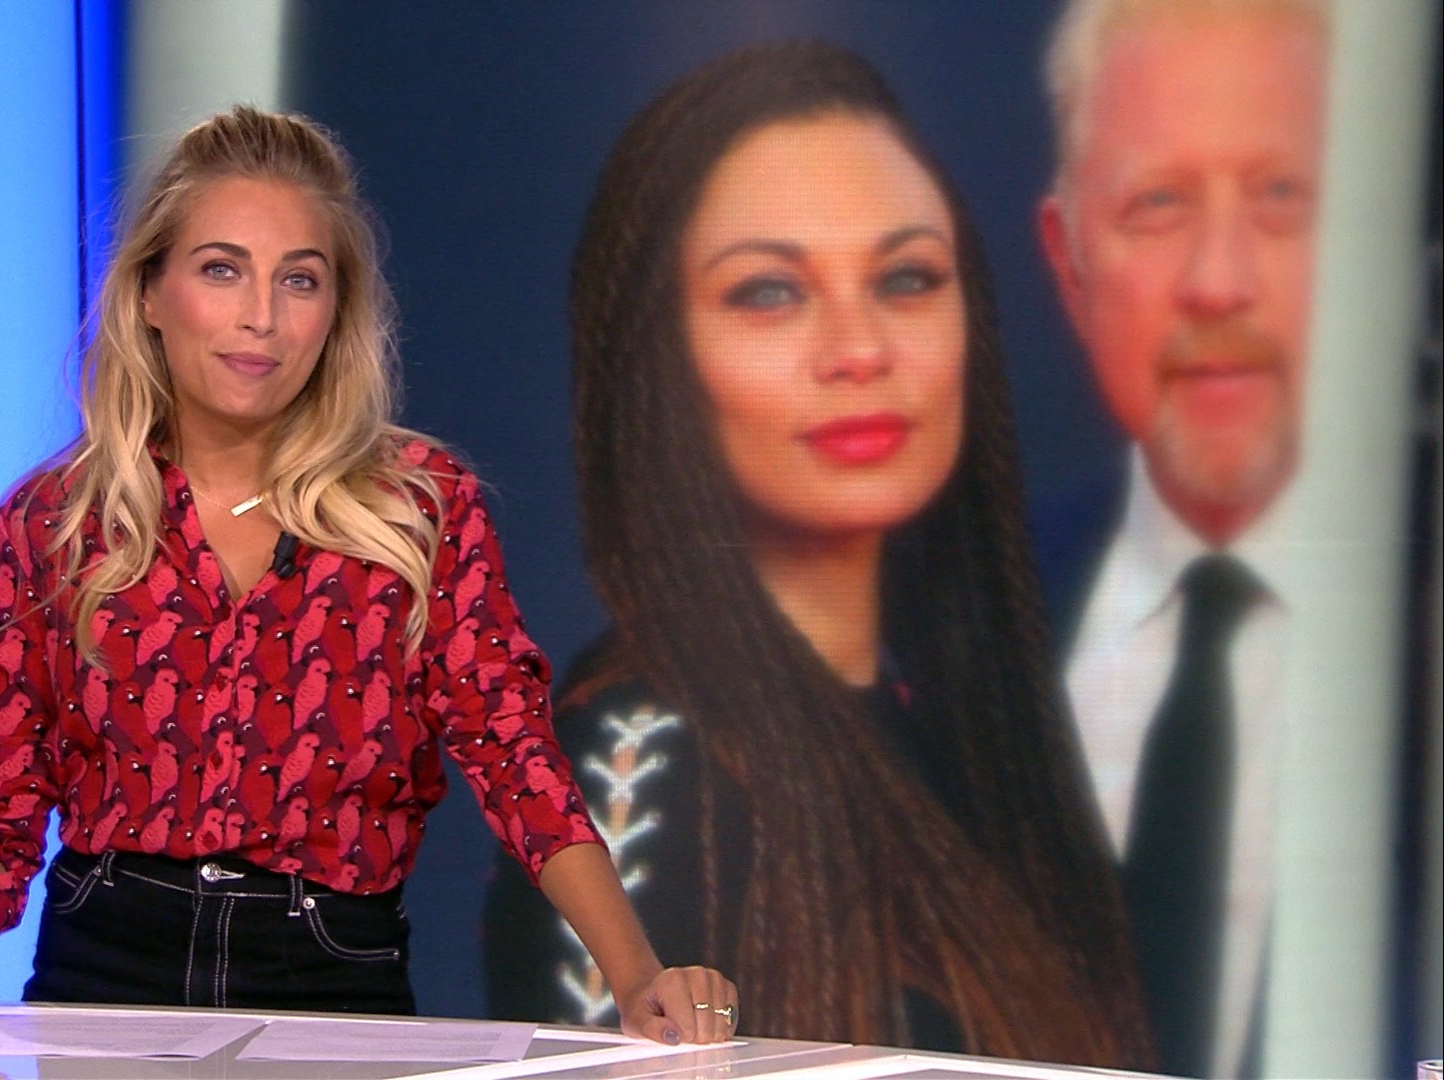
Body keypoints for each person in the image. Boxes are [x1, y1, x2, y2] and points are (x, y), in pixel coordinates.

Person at [0, 105, 736, 1044]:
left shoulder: (418, 507)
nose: (261, 317)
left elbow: (515, 758)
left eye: (299, 280)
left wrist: (634, 976)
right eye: (221, 270)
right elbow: (2, 810)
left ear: (336, 311)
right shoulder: (54, 521)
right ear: (150, 294)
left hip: (333, 979)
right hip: (105, 974)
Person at [482, 41, 1154, 1070]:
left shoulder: (978, 745)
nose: (860, 350)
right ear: (657, 354)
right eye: (769, 292)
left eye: (906, 278)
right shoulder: (637, 762)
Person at [1033, 2, 1327, 1075]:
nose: (1218, 280)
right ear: (1071, 264)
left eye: (1282, 197)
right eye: (1157, 204)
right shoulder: (950, 628)